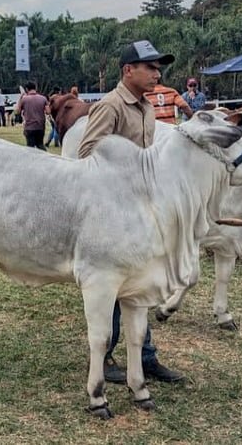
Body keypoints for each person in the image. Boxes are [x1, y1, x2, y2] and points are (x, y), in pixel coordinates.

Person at [77, 39, 185, 383]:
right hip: (111, 211)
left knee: (138, 283)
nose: (157, 73)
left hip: (140, 208)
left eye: (158, 68)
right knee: (112, 283)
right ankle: (105, 358)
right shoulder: (111, 106)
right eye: (150, 67)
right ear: (128, 70)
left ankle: (146, 356)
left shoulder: (146, 106)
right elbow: (88, 154)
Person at [14, 82, 49, 150]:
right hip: (40, 126)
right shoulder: (43, 98)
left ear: (27, 89)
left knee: (30, 147)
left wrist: (21, 97)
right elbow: (48, 112)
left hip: (29, 127)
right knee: (40, 144)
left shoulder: (24, 99)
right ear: (35, 88)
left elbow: (18, 111)